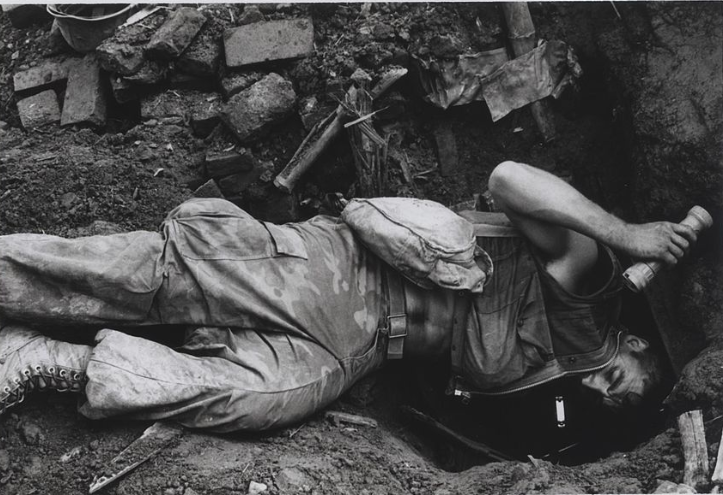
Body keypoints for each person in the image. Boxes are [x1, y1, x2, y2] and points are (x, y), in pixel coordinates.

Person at [0, 161, 698, 432]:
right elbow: (509, 179)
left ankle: (52, 358)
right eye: (641, 383)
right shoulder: (588, 293)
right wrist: (623, 233)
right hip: (338, 269)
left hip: (354, 348)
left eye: (627, 405)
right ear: (636, 344)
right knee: (143, 280)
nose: (622, 393)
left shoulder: (547, 380)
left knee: (257, 402)